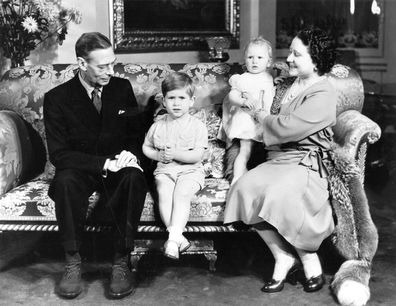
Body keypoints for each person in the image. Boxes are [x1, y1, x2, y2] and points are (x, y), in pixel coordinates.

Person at [224, 28, 337, 293]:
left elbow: (285, 127)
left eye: (297, 54)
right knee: (244, 187)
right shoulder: (287, 83)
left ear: (316, 59)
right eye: (289, 53)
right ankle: (282, 256)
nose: (288, 59)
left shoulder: (323, 93)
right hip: (280, 158)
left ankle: (309, 260)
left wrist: (259, 112)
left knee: (278, 192)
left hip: (306, 162)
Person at [43, 32, 148, 299]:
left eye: (113, 63)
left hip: (118, 164)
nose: (110, 71)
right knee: (65, 181)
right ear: (81, 64)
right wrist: (103, 163)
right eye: (103, 66)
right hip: (82, 167)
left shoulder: (121, 88)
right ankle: (73, 260)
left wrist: (129, 155)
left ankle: (121, 260)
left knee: (134, 178)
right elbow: (59, 154)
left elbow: (135, 134)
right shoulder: (57, 98)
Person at [142, 72, 208, 260]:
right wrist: (158, 155)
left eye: (182, 98)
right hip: (165, 170)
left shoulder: (197, 126)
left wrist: (176, 154)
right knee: (164, 192)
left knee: (181, 193)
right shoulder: (157, 125)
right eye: (172, 98)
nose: (177, 103)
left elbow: (198, 155)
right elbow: (146, 147)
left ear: (191, 101)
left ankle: (172, 239)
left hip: (191, 171)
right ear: (164, 101)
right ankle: (178, 237)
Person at [219, 37, 275, 185]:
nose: (254, 61)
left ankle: (253, 176)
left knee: (261, 149)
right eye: (250, 57)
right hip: (245, 119)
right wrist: (242, 101)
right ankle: (237, 176)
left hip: (262, 119)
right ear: (245, 59)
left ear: (268, 62)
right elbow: (232, 95)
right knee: (245, 149)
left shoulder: (269, 77)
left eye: (259, 57)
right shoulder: (243, 78)